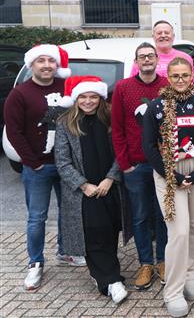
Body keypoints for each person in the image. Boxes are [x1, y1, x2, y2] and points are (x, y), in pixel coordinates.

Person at [142, 57, 194, 318]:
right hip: (168, 169)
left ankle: (191, 276)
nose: (181, 80)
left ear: (192, 76)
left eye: (185, 75)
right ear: (168, 78)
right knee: (179, 231)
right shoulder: (156, 106)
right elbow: (149, 145)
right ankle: (172, 291)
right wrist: (170, 174)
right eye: (175, 76)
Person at [4, 44, 79, 291]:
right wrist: (32, 161)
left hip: (66, 165)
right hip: (38, 168)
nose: (47, 65)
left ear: (57, 65)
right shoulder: (20, 94)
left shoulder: (66, 88)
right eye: (41, 61)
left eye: (51, 61)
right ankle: (35, 263)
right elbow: (13, 131)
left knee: (68, 213)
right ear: (31, 65)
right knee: (37, 217)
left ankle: (65, 252)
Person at [54, 76, 130, 304]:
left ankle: (102, 275)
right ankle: (112, 280)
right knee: (92, 233)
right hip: (84, 191)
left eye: (93, 97)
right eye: (83, 97)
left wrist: (110, 179)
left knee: (109, 231)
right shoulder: (65, 123)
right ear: (76, 99)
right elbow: (62, 161)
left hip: (108, 187)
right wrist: (83, 185)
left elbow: (120, 151)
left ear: (100, 98)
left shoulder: (109, 119)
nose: (88, 101)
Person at [111, 42, 169, 290]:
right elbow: (118, 129)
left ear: (157, 59)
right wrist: (125, 165)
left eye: (150, 56)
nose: (146, 60)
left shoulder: (167, 86)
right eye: (141, 57)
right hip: (135, 166)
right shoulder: (123, 88)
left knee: (163, 215)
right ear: (136, 62)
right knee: (141, 216)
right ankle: (145, 262)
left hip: (163, 165)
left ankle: (164, 260)